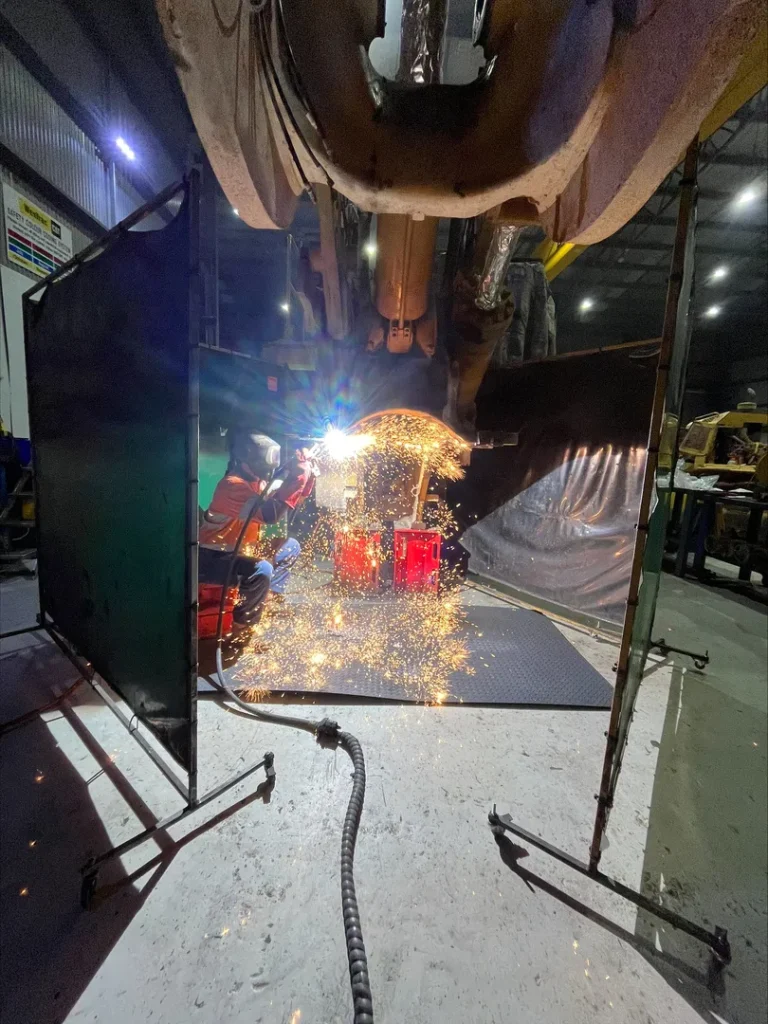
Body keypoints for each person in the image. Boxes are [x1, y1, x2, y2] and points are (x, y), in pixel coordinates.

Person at [199, 432, 315, 632]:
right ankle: (241, 627)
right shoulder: (231, 486)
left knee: (290, 546)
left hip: (241, 551)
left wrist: (306, 474)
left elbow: (292, 499)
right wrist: (297, 476)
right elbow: (271, 514)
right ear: (248, 460)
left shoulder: (258, 482)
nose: (270, 471)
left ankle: (268, 600)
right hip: (213, 556)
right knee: (262, 569)